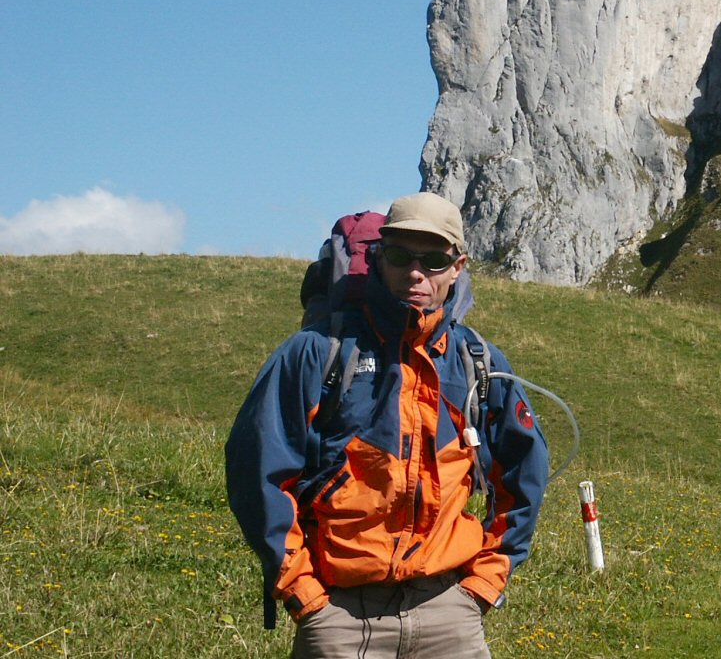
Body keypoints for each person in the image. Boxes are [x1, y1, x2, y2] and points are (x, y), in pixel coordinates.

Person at [225, 192, 549, 658]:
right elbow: (256, 472)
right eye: (400, 255)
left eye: (434, 260)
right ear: (378, 257)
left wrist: (485, 582)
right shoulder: (316, 351)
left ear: (458, 266)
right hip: (338, 615)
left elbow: (524, 475)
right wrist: (303, 593)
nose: (415, 272)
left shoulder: (478, 362)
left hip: (449, 613)